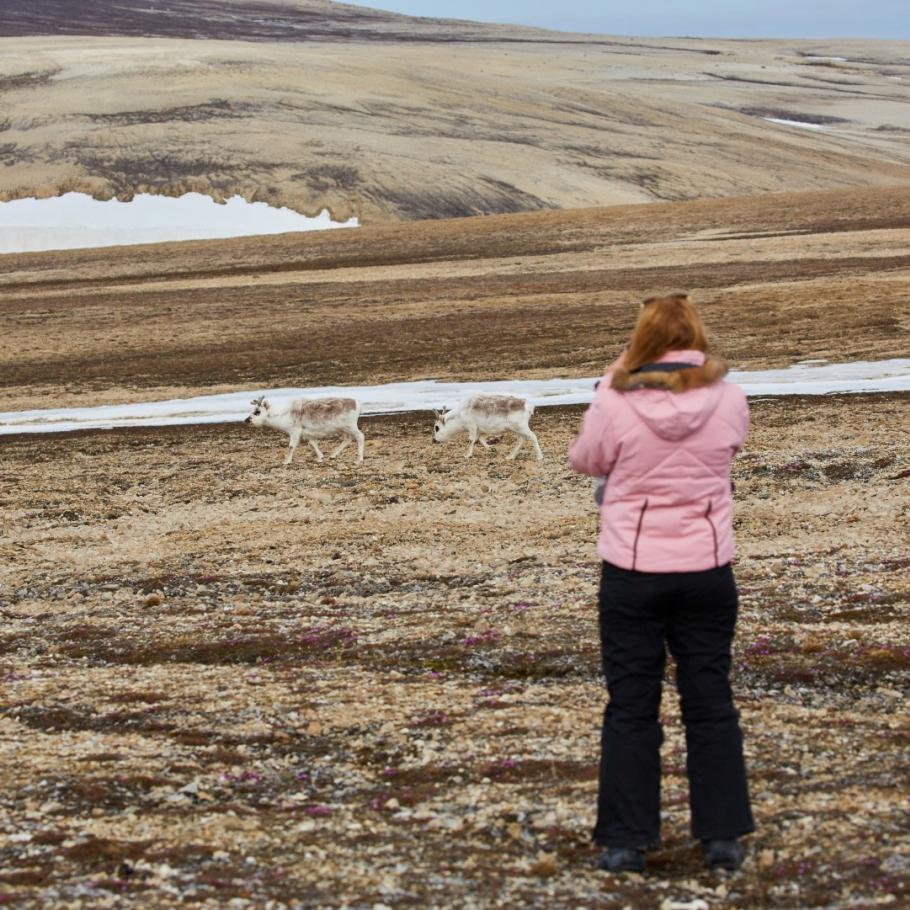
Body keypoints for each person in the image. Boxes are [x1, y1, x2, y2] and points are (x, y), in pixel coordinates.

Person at [569, 293, 754, 874]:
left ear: (641, 340)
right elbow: (732, 443)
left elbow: (586, 460)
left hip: (633, 571)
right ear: (696, 336)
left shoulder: (615, 400)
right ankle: (722, 839)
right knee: (710, 701)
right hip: (707, 569)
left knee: (630, 705)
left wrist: (615, 377)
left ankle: (626, 842)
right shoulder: (729, 397)